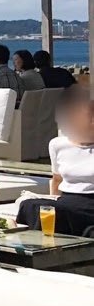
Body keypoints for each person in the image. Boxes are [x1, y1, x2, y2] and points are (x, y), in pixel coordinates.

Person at [17, 94, 94, 236]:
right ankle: (30, 243)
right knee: (30, 206)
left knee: (54, 210)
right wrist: (53, 202)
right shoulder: (57, 145)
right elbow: (57, 180)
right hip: (66, 201)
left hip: (90, 205)